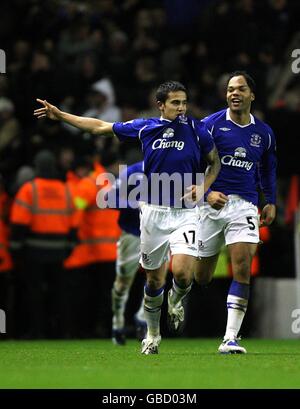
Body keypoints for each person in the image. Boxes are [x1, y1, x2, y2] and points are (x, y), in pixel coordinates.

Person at [34, 80, 221, 354]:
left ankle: (176, 299)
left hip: (186, 212)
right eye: (175, 103)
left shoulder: (197, 128)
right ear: (161, 105)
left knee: (182, 274)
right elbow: (99, 127)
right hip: (153, 213)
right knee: (154, 281)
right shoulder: (145, 127)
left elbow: (215, 162)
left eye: (184, 102)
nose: (181, 108)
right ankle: (153, 336)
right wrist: (61, 115)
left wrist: (203, 187)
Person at [194, 71, 277, 354]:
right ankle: (178, 292)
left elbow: (268, 169)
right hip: (210, 206)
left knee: (242, 267)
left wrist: (271, 200)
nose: (234, 93)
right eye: (230, 89)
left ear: (251, 95)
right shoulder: (210, 126)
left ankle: (230, 338)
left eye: (240, 89)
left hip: (244, 205)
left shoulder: (263, 133)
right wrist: (205, 194)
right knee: (201, 277)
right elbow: (189, 164)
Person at [107, 161, 147, 345]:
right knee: (123, 281)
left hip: (160, 234)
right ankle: (118, 321)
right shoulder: (132, 171)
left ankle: (142, 317)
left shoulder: (171, 168)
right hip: (132, 234)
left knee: (158, 279)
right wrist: (137, 204)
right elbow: (109, 198)